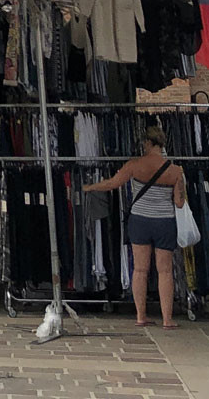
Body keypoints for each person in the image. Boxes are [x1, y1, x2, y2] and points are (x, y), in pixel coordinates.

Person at [84, 127, 186, 328]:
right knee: (165, 271)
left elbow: (112, 184)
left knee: (140, 269)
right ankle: (167, 319)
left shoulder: (134, 165)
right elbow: (179, 202)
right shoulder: (176, 171)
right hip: (164, 221)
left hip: (139, 220)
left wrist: (90, 187)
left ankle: (141, 316)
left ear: (148, 143)